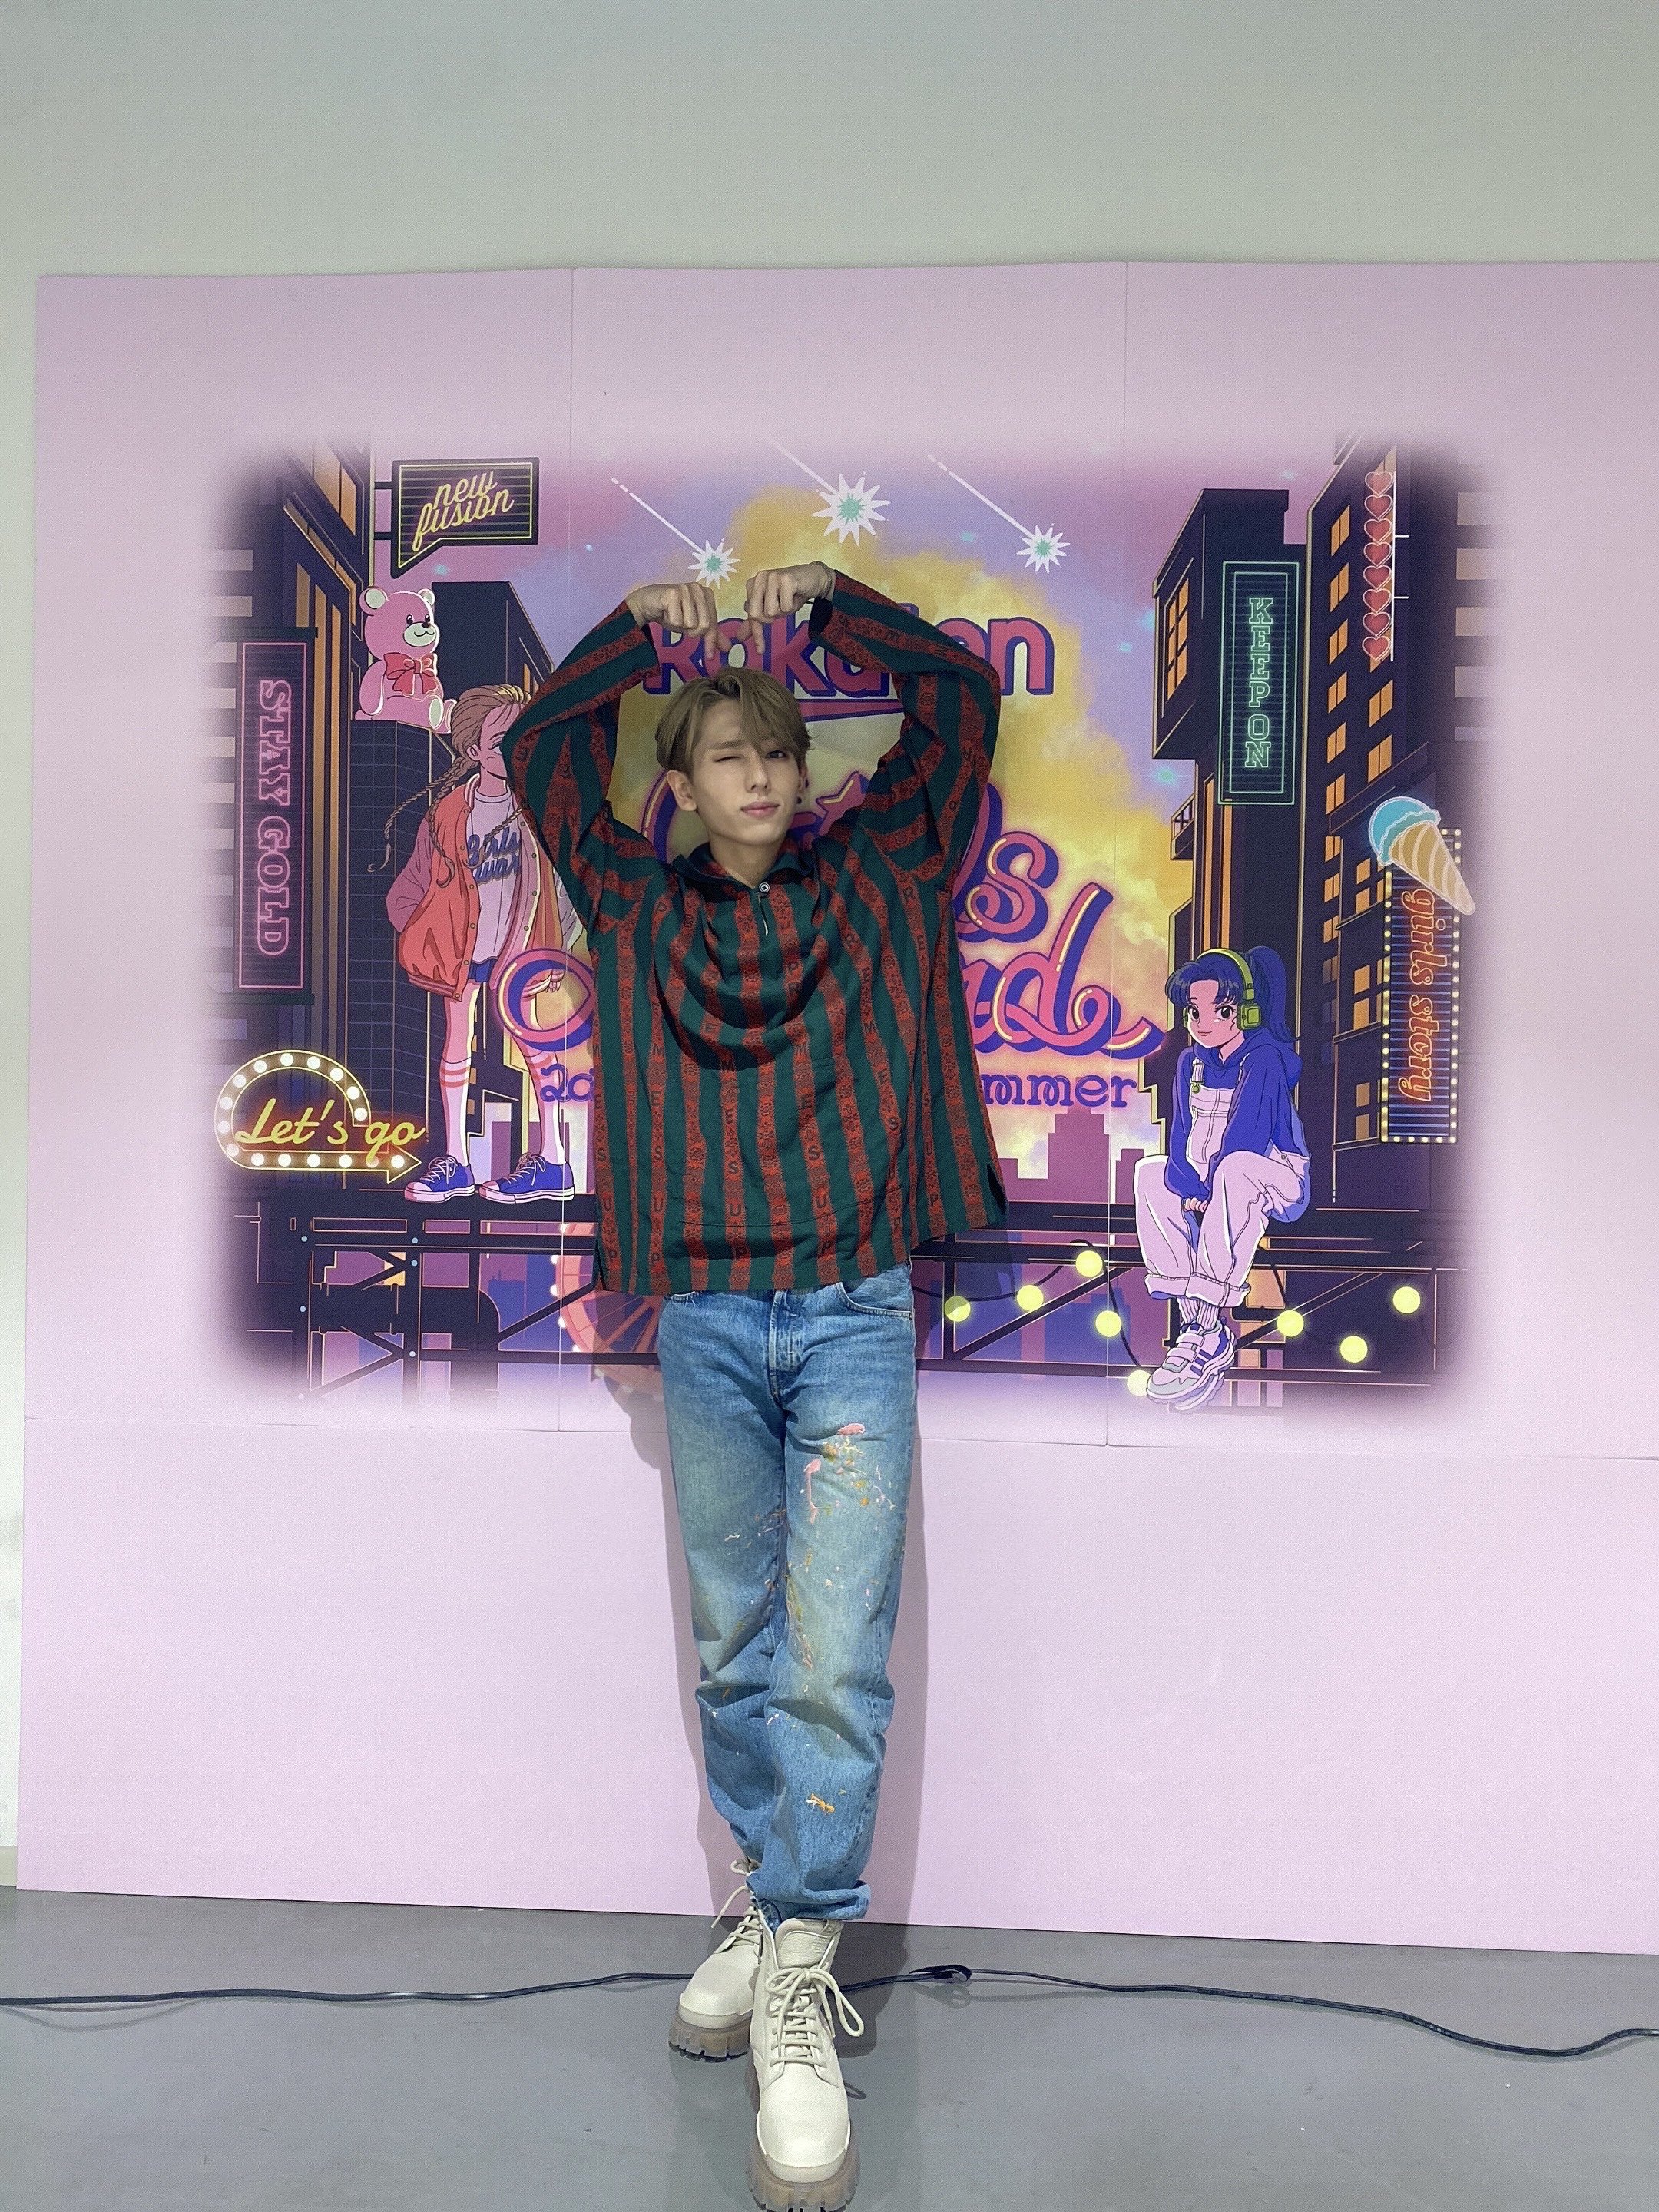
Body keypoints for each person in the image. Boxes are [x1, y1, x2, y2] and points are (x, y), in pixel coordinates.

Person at [502, 562, 1003, 2212]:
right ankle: (768, 1906)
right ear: (684, 781)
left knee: (835, 1655)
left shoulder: (884, 869)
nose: (765, 774)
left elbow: (957, 702)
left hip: (852, 1312)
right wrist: (645, 637)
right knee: (737, 1644)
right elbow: (540, 752)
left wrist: (832, 600)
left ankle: (798, 1958)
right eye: (729, 752)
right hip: (709, 1319)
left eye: (781, 748)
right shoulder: (637, 907)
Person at [384, 682, 581, 1204]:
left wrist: (556, 947)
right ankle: (457, 1160)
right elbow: (413, 884)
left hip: (520, 950)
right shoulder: (448, 812)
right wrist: (420, 933)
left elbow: (566, 886)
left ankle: (554, 1160)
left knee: (534, 1045)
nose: (514, 752)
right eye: (500, 743)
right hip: (461, 952)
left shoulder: (541, 808)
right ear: (473, 750)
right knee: (457, 1043)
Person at [1133, 944, 1309, 1411]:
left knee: (1235, 1170)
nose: (1204, 1022)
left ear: (1245, 1011)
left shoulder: (1264, 1058)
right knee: (1150, 1174)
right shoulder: (1189, 1062)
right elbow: (1180, 1131)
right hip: (1213, 1177)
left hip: (1274, 1175)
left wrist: (1210, 1190)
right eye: (1195, 1011)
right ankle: (1202, 1329)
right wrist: (1188, 1186)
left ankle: (1206, 1321)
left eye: (1221, 1010)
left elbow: (1249, 1135)